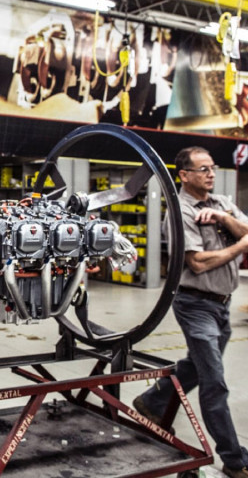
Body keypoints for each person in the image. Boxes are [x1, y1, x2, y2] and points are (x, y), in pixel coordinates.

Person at [133, 146, 248, 478]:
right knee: (215, 382)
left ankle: (152, 402)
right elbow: (197, 263)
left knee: (196, 367)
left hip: (223, 305)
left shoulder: (222, 203)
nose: (211, 173)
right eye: (203, 169)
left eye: (212, 167)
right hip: (196, 305)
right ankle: (234, 458)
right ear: (184, 175)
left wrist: (226, 219)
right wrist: (241, 246)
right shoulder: (180, 212)